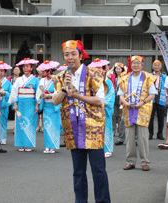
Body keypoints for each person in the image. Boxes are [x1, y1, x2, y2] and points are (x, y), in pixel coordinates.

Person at [53, 40, 111, 203]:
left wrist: (77, 96)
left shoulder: (95, 74)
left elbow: (100, 101)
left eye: (73, 54)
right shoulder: (60, 77)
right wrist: (65, 89)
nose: (70, 57)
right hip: (73, 129)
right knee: (78, 171)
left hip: (93, 128)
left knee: (98, 170)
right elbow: (56, 101)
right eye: (66, 54)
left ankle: (103, 201)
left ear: (81, 55)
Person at [119, 55, 157, 171]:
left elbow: (152, 94)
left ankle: (145, 162)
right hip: (128, 109)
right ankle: (130, 161)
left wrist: (143, 102)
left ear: (142, 65)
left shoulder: (148, 77)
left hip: (142, 110)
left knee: (143, 138)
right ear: (130, 65)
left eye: (138, 63)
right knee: (129, 138)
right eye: (133, 63)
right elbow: (120, 94)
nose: (136, 65)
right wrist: (124, 101)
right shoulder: (124, 78)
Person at [8, 58, 40, 152]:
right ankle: (21, 144)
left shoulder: (35, 80)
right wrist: (14, 103)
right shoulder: (19, 79)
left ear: (31, 67)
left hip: (31, 102)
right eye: (24, 66)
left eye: (28, 66)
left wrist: (37, 104)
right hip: (21, 102)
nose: (26, 68)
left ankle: (29, 144)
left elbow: (38, 93)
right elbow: (14, 91)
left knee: (30, 123)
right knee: (20, 123)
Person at [89, 58, 115, 158]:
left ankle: (107, 148)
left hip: (104, 108)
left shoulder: (108, 82)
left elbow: (110, 94)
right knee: (95, 129)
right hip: (94, 108)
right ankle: (97, 147)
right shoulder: (92, 81)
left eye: (100, 69)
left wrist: (102, 104)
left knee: (106, 128)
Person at [37, 60, 61, 154]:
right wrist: (41, 96)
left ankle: (53, 145)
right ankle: (47, 146)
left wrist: (49, 95)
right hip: (46, 105)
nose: (43, 72)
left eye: (45, 70)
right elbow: (38, 93)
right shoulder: (42, 80)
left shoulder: (55, 79)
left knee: (54, 126)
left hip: (54, 104)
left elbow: (58, 92)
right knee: (47, 125)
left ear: (50, 70)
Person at [107, 62, 126, 145]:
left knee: (121, 116)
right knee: (114, 115)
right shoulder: (113, 76)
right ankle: (114, 130)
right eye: (116, 69)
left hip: (122, 96)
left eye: (119, 68)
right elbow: (108, 74)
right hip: (114, 96)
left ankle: (120, 132)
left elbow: (128, 72)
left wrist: (125, 69)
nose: (118, 70)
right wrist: (112, 68)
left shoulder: (124, 76)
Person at [0, 61, 12, 145]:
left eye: (1, 71)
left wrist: (5, 93)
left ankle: (3, 137)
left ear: (4, 72)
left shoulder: (7, 83)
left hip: (3, 103)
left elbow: (11, 94)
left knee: (3, 121)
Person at [149, 60, 167, 140]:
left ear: (161, 67)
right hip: (151, 98)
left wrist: (167, 99)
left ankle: (160, 133)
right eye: (155, 65)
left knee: (161, 117)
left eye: (158, 65)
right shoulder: (149, 76)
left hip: (161, 98)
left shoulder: (164, 77)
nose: (156, 66)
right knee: (150, 117)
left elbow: (167, 88)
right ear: (152, 67)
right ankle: (150, 133)